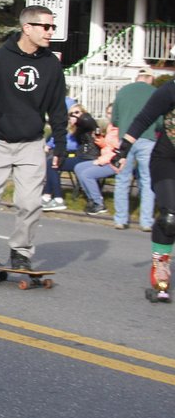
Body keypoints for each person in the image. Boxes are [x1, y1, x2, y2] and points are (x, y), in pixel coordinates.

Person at [0, 5, 67, 290]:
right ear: (27, 27)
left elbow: (58, 108)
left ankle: (21, 251)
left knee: (31, 203)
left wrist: (60, 144)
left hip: (32, 143)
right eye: (45, 27)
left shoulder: (51, 64)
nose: (50, 32)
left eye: (52, 27)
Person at [114, 77, 175, 298]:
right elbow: (144, 118)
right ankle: (160, 265)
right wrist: (123, 150)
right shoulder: (170, 90)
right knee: (170, 216)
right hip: (167, 161)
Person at [111, 69, 158, 231]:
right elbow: (160, 122)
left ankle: (120, 219)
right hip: (148, 139)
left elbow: (115, 119)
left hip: (125, 139)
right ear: (151, 78)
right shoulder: (154, 92)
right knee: (147, 180)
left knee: (122, 178)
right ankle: (146, 221)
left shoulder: (123, 91)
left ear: (137, 77)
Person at [41, 102, 98, 211]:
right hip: (78, 156)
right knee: (52, 162)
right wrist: (49, 145)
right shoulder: (72, 128)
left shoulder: (86, 125)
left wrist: (78, 120)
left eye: (77, 113)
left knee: (53, 162)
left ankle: (57, 199)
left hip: (86, 158)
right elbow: (61, 139)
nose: (74, 116)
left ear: (83, 113)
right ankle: (47, 196)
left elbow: (72, 144)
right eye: (71, 114)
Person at [73, 106, 119, 216]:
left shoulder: (120, 129)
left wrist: (101, 161)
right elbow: (107, 146)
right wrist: (100, 140)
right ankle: (92, 199)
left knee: (87, 174)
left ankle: (99, 204)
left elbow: (117, 151)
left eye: (112, 113)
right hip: (106, 158)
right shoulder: (110, 127)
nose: (110, 116)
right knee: (79, 167)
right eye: (108, 113)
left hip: (114, 163)